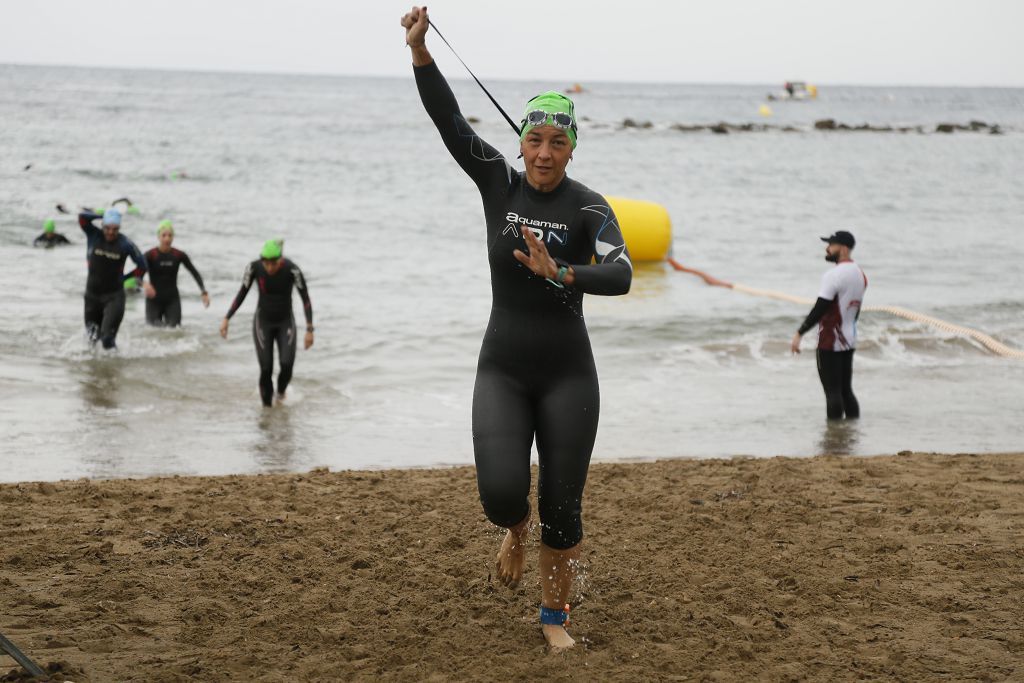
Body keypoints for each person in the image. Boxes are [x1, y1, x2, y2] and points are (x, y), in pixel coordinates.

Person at [401, 6, 633, 650]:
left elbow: (621, 275)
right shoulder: (497, 181)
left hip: (567, 372)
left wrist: (561, 271)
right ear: (523, 140)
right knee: (502, 494)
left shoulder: (589, 206)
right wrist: (421, 51)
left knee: (565, 510)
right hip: (502, 365)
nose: (544, 153)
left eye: (558, 142)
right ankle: (513, 529)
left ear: (572, 146)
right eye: (535, 140)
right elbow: (450, 123)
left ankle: (554, 618)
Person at [220, 239, 314, 407]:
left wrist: (309, 329)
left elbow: (305, 298)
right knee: (266, 368)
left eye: (273, 263)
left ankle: (280, 394)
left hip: (285, 321)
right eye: (266, 263)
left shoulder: (292, 270)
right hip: (263, 322)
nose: (269, 268)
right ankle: (267, 411)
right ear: (262, 260)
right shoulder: (254, 268)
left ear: (280, 260)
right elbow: (242, 293)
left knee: (286, 364)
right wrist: (227, 318)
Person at [791, 231, 868, 419]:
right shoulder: (860, 274)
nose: (827, 248)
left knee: (832, 392)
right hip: (849, 337)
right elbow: (855, 310)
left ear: (842, 248)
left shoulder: (833, 275)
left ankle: (833, 440)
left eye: (831, 244)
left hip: (830, 340)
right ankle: (851, 434)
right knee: (846, 390)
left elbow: (821, 308)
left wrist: (799, 333)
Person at [79, 208, 153, 349]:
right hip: (92, 296)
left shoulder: (125, 243)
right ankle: (94, 370)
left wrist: (125, 279)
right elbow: (82, 217)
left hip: (114, 297)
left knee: (107, 339)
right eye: (107, 228)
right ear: (102, 225)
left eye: (115, 229)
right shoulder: (93, 235)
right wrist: (102, 214)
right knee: (91, 340)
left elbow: (142, 265)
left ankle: (115, 368)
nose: (111, 232)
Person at [144, 220, 210, 327]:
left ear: (173, 237)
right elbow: (136, 275)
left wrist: (203, 291)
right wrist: (144, 284)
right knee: (153, 332)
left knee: (175, 332)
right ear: (158, 237)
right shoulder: (150, 255)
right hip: (153, 301)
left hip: (172, 300)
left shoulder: (178, 255)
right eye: (164, 235)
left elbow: (195, 273)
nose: (167, 238)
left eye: (170, 235)